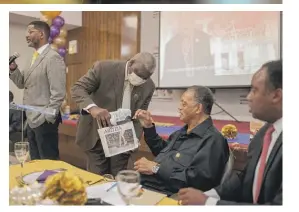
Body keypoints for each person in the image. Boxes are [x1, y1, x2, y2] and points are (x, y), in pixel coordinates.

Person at [178, 60, 282, 205]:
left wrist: (208, 203)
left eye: (254, 90)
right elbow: (244, 178)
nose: (248, 97)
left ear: (276, 95)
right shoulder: (264, 134)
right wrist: (210, 195)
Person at [133, 86, 230, 196]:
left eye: (184, 104)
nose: (179, 108)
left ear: (198, 108)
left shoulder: (213, 140)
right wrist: (148, 127)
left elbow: (197, 181)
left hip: (167, 195)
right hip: (145, 185)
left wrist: (155, 168)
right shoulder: (183, 131)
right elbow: (163, 151)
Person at [71, 52, 156, 176]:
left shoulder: (148, 86)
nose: (140, 79)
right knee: (98, 178)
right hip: (97, 135)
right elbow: (77, 88)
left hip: (122, 139)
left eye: (145, 77)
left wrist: (135, 139)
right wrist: (93, 108)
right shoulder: (104, 68)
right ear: (131, 62)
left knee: (119, 178)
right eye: (138, 74)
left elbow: (139, 117)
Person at [9, 21, 66, 160]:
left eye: (30, 31)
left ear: (41, 34)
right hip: (31, 119)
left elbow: (58, 93)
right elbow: (22, 83)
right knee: (35, 161)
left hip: (44, 120)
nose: (26, 35)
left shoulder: (53, 57)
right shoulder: (31, 58)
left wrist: (47, 117)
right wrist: (13, 69)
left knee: (48, 162)